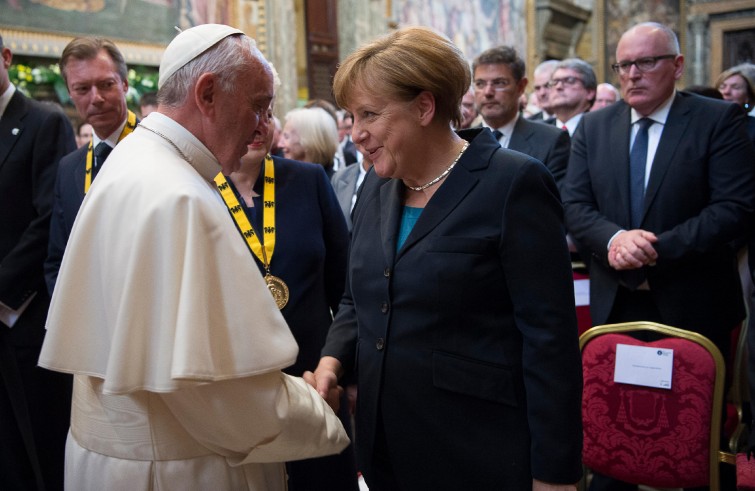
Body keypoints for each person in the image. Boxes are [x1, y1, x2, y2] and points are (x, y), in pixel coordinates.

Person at [38, 24, 349, 490]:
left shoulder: (134, 159)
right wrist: (314, 409)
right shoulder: (178, 195)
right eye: (257, 106)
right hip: (178, 468)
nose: (264, 126)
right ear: (207, 94)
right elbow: (219, 396)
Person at [305, 26, 583, 491]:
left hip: (478, 450)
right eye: (351, 116)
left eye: (370, 114)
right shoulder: (377, 182)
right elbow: (359, 298)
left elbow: (549, 341)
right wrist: (334, 360)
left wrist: (553, 474)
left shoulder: (513, 182)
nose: (357, 134)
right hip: (384, 446)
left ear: (424, 106)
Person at [562, 22, 755, 489]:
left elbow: (735, 209)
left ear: (677, 65)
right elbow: (574, 204)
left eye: (646, 62)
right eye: (624, 64)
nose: (633, 74)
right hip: (617, 303)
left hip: (692, 300)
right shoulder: (593, 125)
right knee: (618, 426)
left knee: (688, 437)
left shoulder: (718, 120)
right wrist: (613, 241)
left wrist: (653, 249)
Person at [218, 102, 357, 491]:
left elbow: (345, 288)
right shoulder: (198, 191)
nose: (260, 122)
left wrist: (348, 370)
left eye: (267, 111)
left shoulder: (309, 180)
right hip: (242, 382)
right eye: (249, 109)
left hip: (316, 377)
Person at [0, 32, 76, 491]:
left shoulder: (42, 122)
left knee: (36, 449)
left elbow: (50, 216)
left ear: (6, 57)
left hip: (22, 315)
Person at [45, 36, 138, 294]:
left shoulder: (162, 147)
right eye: (82, 89)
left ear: (124, 83)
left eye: (106, 85)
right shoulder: (69, 168)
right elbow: (58, 260)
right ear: (70, 93)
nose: (96, 98)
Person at [472, 45, 571, 189]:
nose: (488, 92)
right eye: (480, 84)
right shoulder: (463, 142)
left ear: (521, 87)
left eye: (499, 83)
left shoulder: (551, 140)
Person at [279, 106, 339, 178]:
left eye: (286, 137)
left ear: (308, 142)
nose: (280, 144)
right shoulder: (286, 178)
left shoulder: (336, 185)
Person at [548, 58, 597, 136]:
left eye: (569, 80)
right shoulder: (538, 131)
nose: (559, 86)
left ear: (590, 92)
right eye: (555, 82)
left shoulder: (601, 131)